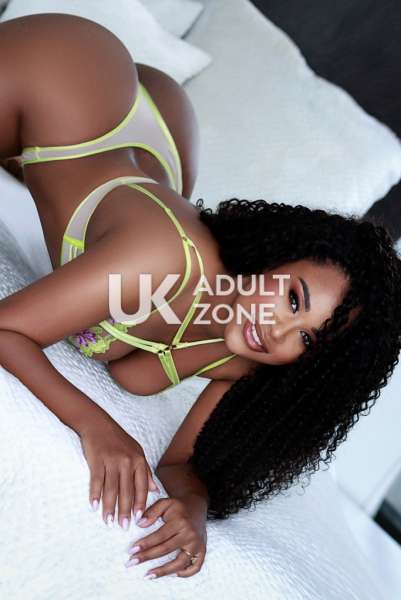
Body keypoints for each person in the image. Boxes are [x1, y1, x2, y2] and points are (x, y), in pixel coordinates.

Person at [0, 13, 400, 581]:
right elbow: (8, 327)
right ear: (275, 258)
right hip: (69, 77)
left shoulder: (244, 355)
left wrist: (192, 506)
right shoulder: (162, 257)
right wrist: (97, 426)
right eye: (293, 298)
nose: (279, 331)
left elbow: (181, 462)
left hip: (158, 144)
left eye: (307, 340)